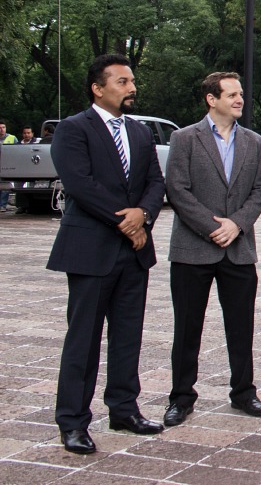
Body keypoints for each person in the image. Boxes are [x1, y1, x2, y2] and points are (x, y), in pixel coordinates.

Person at [47, 54, 167, 454]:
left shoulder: (140, 131)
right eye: (122, 82)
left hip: (134, 252)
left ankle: (124, 409)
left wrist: (143, 215)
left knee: (128, 336)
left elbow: (155, 181)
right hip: (91, 250)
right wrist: (127, 221)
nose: (132, 87)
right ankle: (73, 421)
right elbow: (80, 184)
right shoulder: (73, 129)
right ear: (98, 89)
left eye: (132, 81)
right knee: (83, 339)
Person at [162, 72, 261, 427]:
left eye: (241, 94)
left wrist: (236, 224)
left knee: (242, 327)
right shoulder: (184, 138)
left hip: (238, 250)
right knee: (187, 328)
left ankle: (243, 393)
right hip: (192, 250)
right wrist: (213, 228)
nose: (240, 100)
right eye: (232, 94)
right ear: (212, 99)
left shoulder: (254, 141)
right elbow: (177, 190)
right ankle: (181, 398)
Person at [0, 120, 13, 211]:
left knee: (5, 185)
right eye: (0, 128)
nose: (2, 129)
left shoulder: (12, 138)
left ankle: (2, 205)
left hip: (7, 165)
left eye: (3, 127)